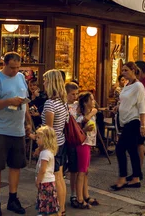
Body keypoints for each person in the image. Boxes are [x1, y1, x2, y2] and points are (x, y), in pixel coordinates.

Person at [0, 52, 30, 216]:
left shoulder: (21, 77)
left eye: (18, 67)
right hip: (0, 129)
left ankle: (13, 198)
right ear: (4, 64)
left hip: (17, 129)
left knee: (16, 165)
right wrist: (9, 101)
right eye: (12, 68)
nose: (15, 71)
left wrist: (28, 121)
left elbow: (24, 102)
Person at [110, 62, 145, 190]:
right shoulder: (127, 85)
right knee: (132, 150)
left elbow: (142, 106)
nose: (123, 73)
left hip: (133, 121)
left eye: (126, 70)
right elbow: (124, 101)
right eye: (122, 70)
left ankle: (122, 177)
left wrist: (143, 125)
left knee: (120, 148)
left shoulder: (138, 86)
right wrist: (118, 107)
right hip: (124, 121)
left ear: (132, 70)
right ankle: (136, 177)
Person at [41, 69, 69, 216]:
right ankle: (62, 209)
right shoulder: (62, 102)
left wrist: (40, 146)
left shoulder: (50, 103)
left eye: (45, 81)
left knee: (55, 177)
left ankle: (57, 211)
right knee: (60, 177)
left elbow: (48, 130)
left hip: (53, 145)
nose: (43, 83)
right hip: (61, 141)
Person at [75, 92, 98, 209]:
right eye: (91, 99)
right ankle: (79, 198)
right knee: (82, 171)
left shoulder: (92, 114)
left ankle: (86, 195)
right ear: (85, 102)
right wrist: (85, 127)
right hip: (83, 144)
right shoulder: (80, 116)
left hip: (88, 144)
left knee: (86, 171)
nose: (93, 101)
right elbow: (79, 129)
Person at [34, 126, 60, 216]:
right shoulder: (48, 151)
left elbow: (43, 170)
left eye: (38, 137)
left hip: (45, 182)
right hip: (48, 181)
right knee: (47, 201)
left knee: (46, 201)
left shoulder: (45, 153)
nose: (36, 139)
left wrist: (38, 180)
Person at [65, 82, 81, 210]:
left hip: (73, 139)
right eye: (72, 94)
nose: (75, 97)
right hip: (64, 138)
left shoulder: (77, 106)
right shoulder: (62, 105)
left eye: (76, 94)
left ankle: (73, 194)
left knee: (74, 168)